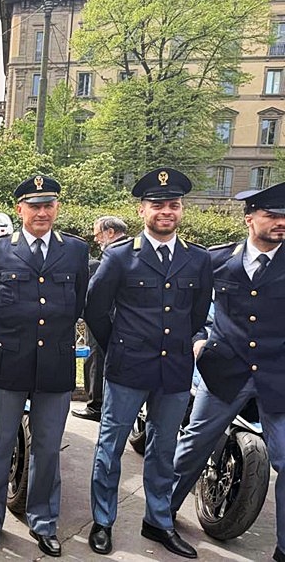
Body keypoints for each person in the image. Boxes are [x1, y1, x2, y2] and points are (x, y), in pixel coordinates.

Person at [84, 168, 213, 558]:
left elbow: (197, 314)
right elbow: (94, 309)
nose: (166, 212)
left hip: (173, 370)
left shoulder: (197, 259)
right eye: (158, 205)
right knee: (111, 448)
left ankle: (158, 521)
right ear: (142, 210)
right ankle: (102, 521)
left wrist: (182, 345)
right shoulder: (121, 257)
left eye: (173, 205)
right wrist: (118, 346)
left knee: (163, 451)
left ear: (181, 210)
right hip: (127, 367)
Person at [170, 182, 285, 562]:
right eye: (272, 215)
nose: (281, 222)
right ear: (249, 217)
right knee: (194, 443)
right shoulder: (216, 260)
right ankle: (161, 515)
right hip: (225, 371)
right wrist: (199, 340)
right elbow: (188, 307)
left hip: (278, 376)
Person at [0, 176, 89, 557]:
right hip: (10, 363)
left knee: (48, 448)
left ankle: (43, 521)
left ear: (56, 208)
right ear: (19, 210)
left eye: (48, 205)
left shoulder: (75, 251)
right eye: (33, 206)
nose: (41, 212)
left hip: (55, 366)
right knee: (0, 445)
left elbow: (78, 304)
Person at [72, 216, 128, 422]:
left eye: (97, 235)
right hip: (123, 321)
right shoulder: (134, 251)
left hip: (107, 316)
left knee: (96, 360)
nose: (96, 240)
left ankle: (97, 406)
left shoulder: (114, 254)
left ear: (110, 232)